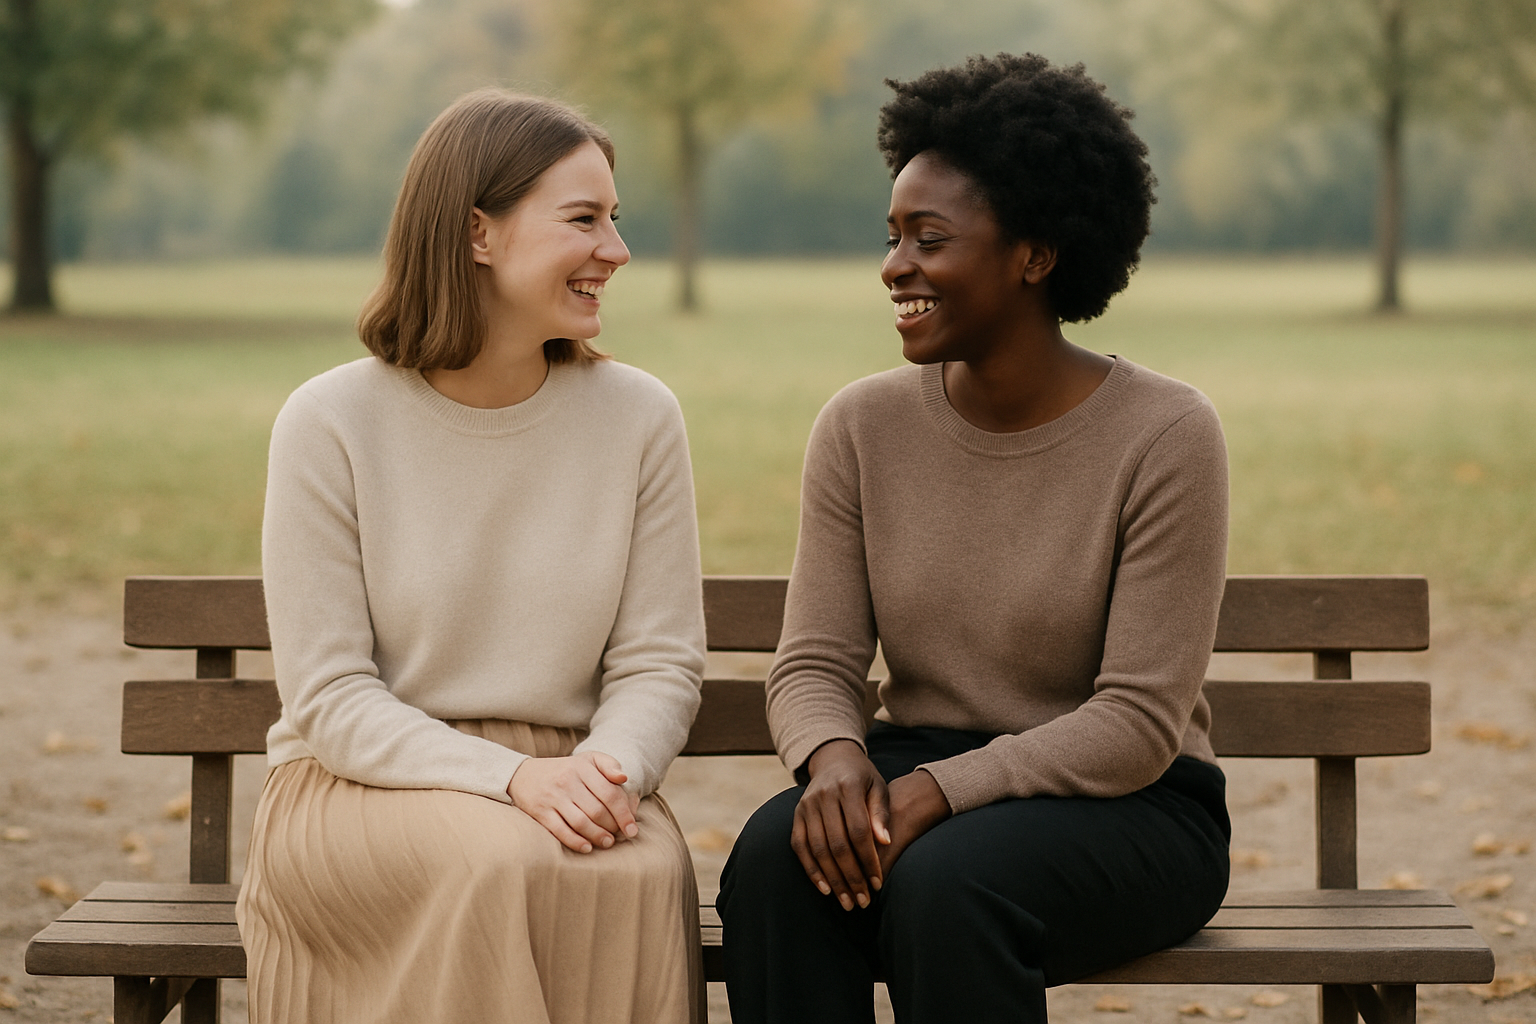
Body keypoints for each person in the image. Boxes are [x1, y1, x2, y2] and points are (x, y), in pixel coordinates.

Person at [718, 53, 1232, 1024]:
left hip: (1132, 808)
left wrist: (944, 793)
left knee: (949, 884)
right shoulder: (861, 426)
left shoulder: (1166, 434)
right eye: (891, 236)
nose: (894, 266)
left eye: (930, 238)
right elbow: (815, 660)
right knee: (770, 862)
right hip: (923, 776)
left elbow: (1136, 720)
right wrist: (833, 760)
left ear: (1034, 256)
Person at [236, 89, 707, 1024]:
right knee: (499, 861)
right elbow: (329, 698)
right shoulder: (330, 421)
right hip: (359, 785)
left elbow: (659, 662)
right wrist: (511, 781)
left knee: (643, 870)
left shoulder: (640, 418)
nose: (616, 251)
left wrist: (604, 776)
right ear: (478, 234)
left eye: (616, 219)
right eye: (584, 220)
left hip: (578, 776)